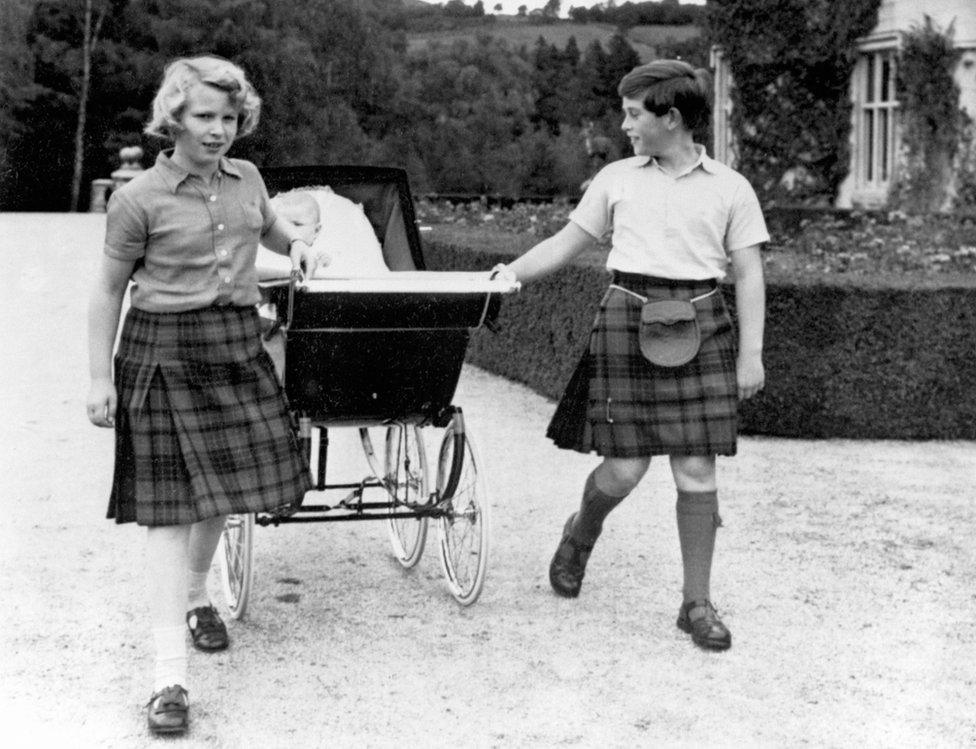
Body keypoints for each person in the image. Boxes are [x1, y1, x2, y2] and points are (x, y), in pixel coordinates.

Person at [496, 60, 768, 651]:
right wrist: (509, 275)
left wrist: (752, 355)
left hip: (702, 322)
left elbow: (748, 272)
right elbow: (568, 243)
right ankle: (580, 533)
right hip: (627, 316)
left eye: (634, 114)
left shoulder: (730, 187)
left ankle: (695, 603)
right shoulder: (616, 178)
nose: (625, 125)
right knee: (625, 469)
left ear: (671, 119)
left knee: (697, 470)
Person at [86, 55, 321, 735]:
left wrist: (301, 244)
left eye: (228, 117)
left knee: (226, 493)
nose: (218, 130)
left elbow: (273, 230)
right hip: (160, 351)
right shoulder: (137, 199)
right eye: (204, 117)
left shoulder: (247, 178)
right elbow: (105, 290)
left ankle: (197, 593)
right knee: (166, 514)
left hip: (234, 346)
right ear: (174, 120)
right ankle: (169, 676)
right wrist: (99, 377)